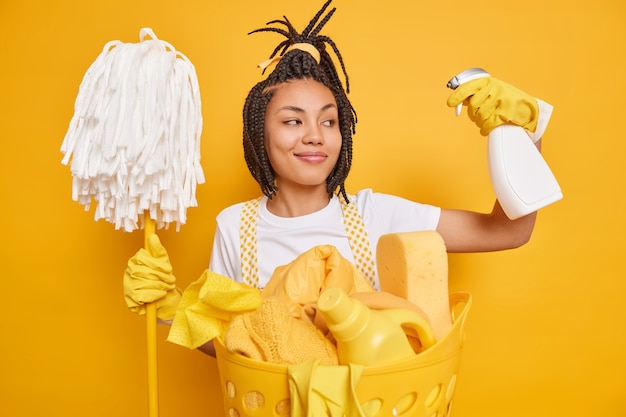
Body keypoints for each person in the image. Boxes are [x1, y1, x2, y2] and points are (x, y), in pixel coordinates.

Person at [123, 0, 553, 356]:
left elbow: (508, 230)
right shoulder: (235, 226)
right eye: (293, 122)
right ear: (259, 133)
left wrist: (520, 133)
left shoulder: (377, 214)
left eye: (329, 122)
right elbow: (233, 345)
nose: (315, 135)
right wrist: (173, 309)